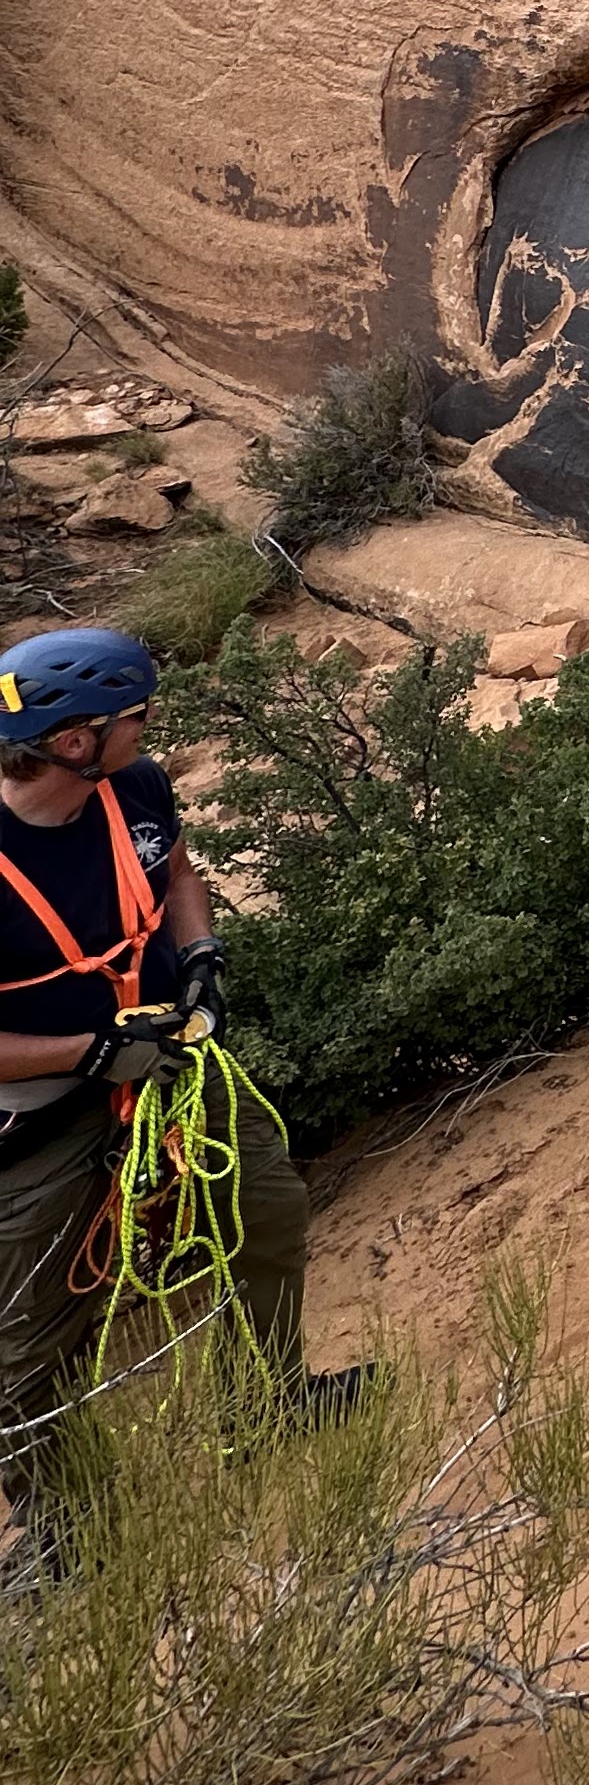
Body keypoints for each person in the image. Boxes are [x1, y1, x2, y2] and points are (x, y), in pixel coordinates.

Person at [0, 626, 342, 1574]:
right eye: (137, 716)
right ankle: (71, 1532)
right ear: (75, 740)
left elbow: (175, 869)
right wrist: (89, 1049)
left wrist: (199, 956)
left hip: (165, 1070)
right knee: (27, 1346)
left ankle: (268, 1405)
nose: (151, 728)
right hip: (36, 1116)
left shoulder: (134, 788)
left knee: (265, 1214)